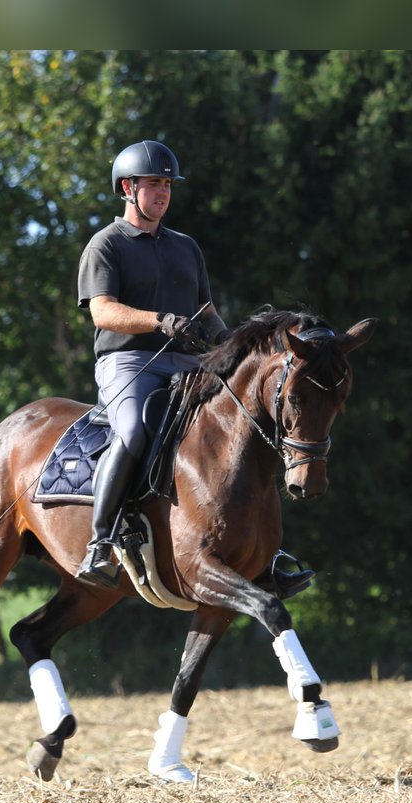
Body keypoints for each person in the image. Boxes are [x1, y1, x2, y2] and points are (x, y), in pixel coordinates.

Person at [75, 140, 313, 598]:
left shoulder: (186, 247)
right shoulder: (105, 244)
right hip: (128, 361)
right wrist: (157, 321)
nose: (162, 193)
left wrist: (234, 347)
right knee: (132, 431)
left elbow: (207, 313)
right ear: (128, 188)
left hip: (187, 361)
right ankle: (100, 542)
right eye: (153, 185)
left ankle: (267, 552)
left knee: (243, 425)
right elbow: (102, 312)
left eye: (166, 185)